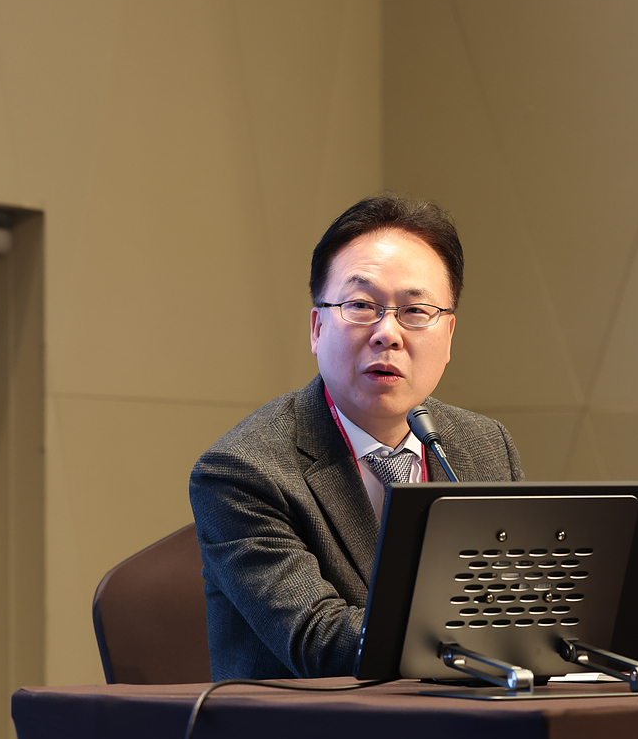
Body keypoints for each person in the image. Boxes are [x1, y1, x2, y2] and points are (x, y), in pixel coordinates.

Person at [190, 195, 523, 680]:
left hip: (464, 715)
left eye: (415, 311)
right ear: (317, 327)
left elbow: (520, 602)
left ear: (449, 335)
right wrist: (498, 631)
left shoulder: (484, 446)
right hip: (314, 723)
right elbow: (321, 644)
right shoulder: (242, 471)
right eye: (362, 306)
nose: (388, 333)